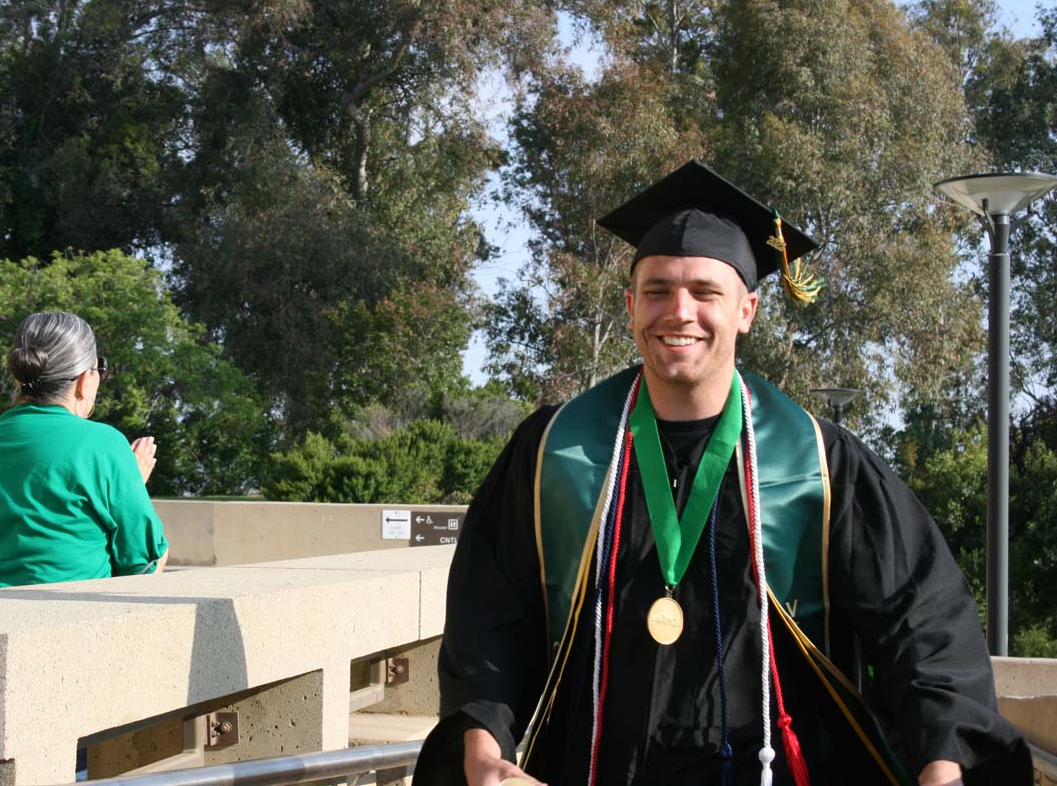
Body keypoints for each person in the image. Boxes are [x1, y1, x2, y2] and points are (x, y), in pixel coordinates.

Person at [413, 161, 1031, 786]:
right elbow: (487, 620)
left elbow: (921, 623)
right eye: (656, 290)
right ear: (630, 307)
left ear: (747, 310)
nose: (678, 312)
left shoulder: (819, 462)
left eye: (705, 292)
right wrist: (484, 747)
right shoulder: (553, 452)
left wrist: (943, 761)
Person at [0, 311, 169, 592]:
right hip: (63, 617)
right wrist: (131, 482)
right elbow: (143, 563)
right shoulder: (103, 444)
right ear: (84, 380)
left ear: (19, 375)